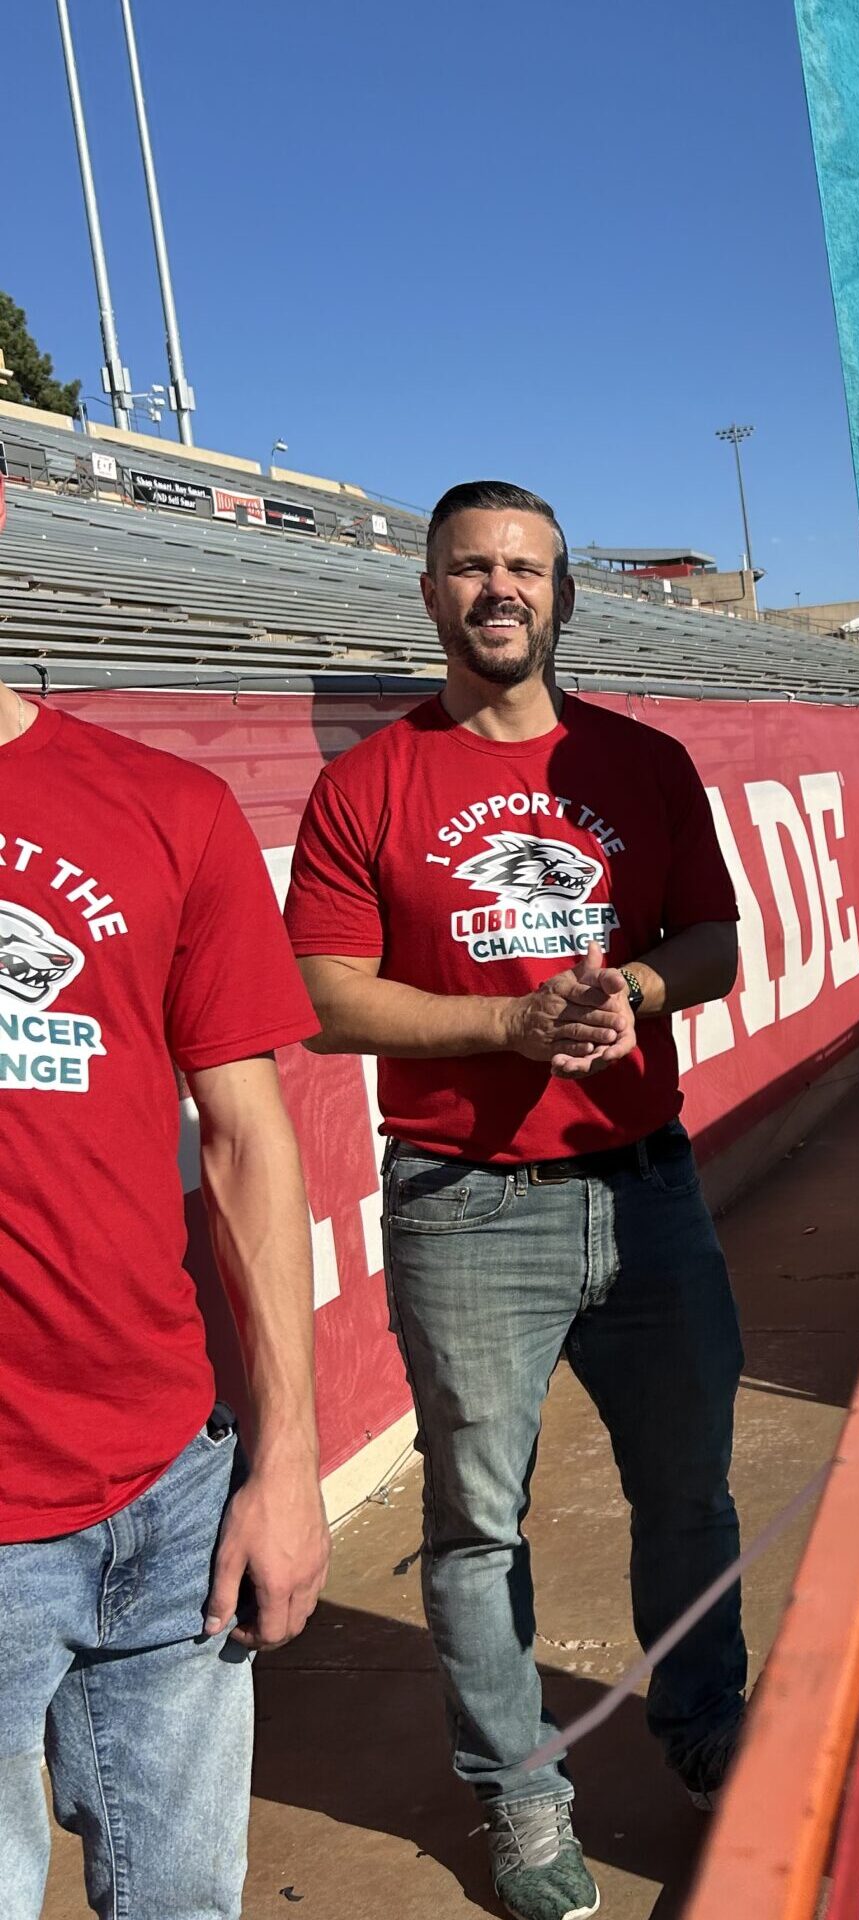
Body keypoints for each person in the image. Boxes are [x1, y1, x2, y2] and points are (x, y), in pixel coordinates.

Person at [284, 480, 748, 1920]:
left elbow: (718, 937)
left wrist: (644, 989)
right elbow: (323, 993)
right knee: (479, 1524)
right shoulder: (366, 788)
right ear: (431, 593)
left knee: (688, 1492)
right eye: (472, 568)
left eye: (527, 569)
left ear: (564, 594)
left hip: (647, 1186)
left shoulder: (644, 762)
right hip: (465, 1203)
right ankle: (521, 1794)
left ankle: (707, 1728)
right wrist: (504, 1028)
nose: (501, 590)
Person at [0, 672, 330, 1920]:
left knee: (187, 1902)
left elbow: (247, 1139)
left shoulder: (166, 806)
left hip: (168, 1488)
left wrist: (285, 1460)